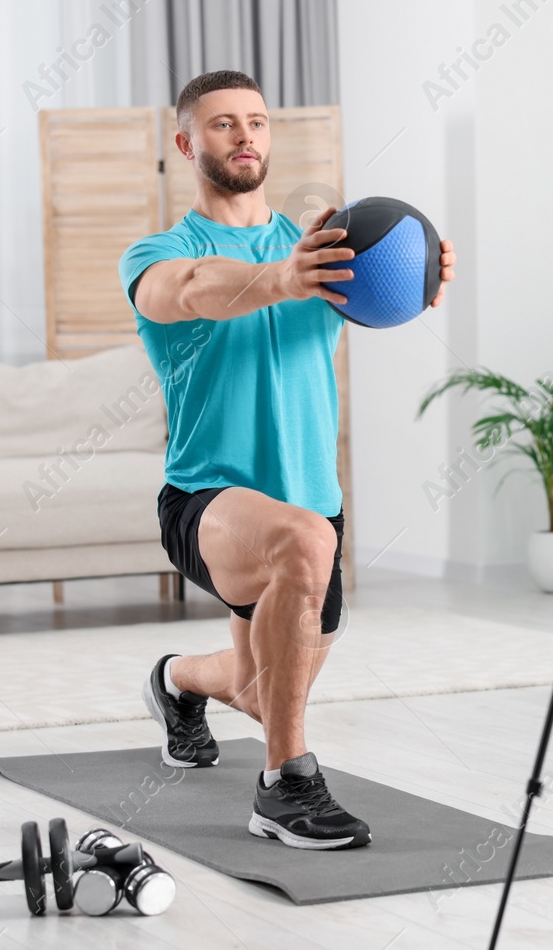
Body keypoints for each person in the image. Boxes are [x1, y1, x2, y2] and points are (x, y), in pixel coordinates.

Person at [118, 70, 455, 850]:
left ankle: (176, 682)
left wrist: (414, 271)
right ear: (185, 143)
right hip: (207, 502)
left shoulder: (322, 250)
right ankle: (284, 789)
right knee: (302, 543)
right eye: (223, 123)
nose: (244, 135)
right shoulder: (161, 251)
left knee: (260, 689)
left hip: (313, 502)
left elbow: (382, 282)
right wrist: (281, 277)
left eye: (258, 122)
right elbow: (195, 289)